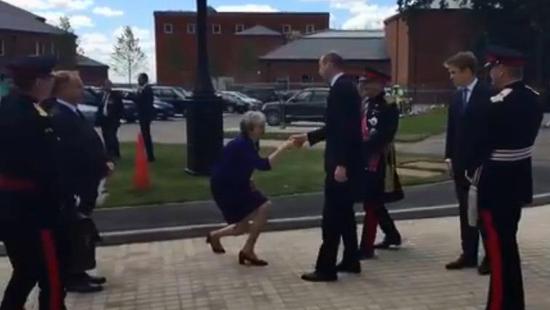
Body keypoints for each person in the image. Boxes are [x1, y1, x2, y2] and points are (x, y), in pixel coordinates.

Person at [471, 46, 543, 310]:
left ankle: (501, 304)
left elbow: (477, 145)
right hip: (518, 181)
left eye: (492, 68)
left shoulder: (495, 105)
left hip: (495, 184)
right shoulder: (533, 99)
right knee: (508, 245)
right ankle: (512, 301)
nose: (490, 74)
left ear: (501, 69)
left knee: (499, 252)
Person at [0, 56, 66, 309]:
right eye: (50, 77)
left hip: (15, 209)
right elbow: (43, 167)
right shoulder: (27, 116)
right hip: (35, 212)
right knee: (52, 274)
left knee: (26, 271)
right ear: (39, 81)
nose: (52, 82)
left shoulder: (12, 106)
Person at [292, 52, 363, 282]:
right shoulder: (346, 86)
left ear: (329, 64)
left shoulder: (341, 88)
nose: (319, 70)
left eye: (320, 65)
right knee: (344, 215)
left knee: (331, 217)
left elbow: (346, 129)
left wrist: (341, 163)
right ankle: (352, 259)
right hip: (346, 162)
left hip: (341, 164)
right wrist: (309, 137)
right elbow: (334, 126)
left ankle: (326, 268)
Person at [49, 71, 112, 293]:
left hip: (87, 181)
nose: (82, 90)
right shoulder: (59, 116)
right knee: (73, 230)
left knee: (80, 229)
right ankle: (71, 276)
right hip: (75, 185)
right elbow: (71, 153)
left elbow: (90, 142)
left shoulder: (72, 112)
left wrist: (103, 163)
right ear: (62, 89)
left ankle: (80, 269)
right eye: (77, 86)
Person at [207, 111, 294, 266]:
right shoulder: (242, 144)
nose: (263, 129)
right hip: (227, 188)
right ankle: (248, 250)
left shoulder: (248, 142)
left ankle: (215, 236)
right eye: (260, 126)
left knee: (243, 226)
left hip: (234, 184)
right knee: (264, 207)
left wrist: (248, 178)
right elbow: (264, 165)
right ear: (250, 128)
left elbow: (240, 164)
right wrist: (284, 147)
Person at [443, 51, 491, 275]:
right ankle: (469, 253)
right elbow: (452, 130)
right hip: (461, 165)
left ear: (467, 71)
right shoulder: (456, 96)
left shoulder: (488, 94)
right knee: (465, 211)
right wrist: (449, 156)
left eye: (454, 72)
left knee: (482, 212)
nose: (451, 77)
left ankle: (491, 256)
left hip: (481, 166)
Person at [356, 71, 404, 260]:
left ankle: (366, 246)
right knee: (375, 201)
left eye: (368, 82)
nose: (364, 86)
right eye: (363, 82)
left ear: (380, 84)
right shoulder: (365, 102)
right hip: (364, 157)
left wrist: (362, 148)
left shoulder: (389, 104)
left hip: (378, 159)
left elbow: (385, 134)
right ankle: (392, 235)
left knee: (371, 202)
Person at [97, 79, 123, 160]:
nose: (106, 87)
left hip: (113, 120)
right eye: (105, 85)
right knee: (105, 135)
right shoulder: (102, 96)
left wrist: (118, 119)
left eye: (108, 85)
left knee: (111, 136)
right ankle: (108, 152)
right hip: (104, 120)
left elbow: (120, 108)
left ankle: (114, 153)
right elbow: (100, 107)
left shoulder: (115, 96)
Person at [136, 73, 155, 162]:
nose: (138, 80)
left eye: (139, 79)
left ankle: (150, 156)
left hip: (145, 116)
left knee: (146, 135)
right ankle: (149, 155)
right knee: (145, 136)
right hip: (143, 116)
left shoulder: (147, 90)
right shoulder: (143, 89)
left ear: (144, 80)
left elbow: (143, 102)